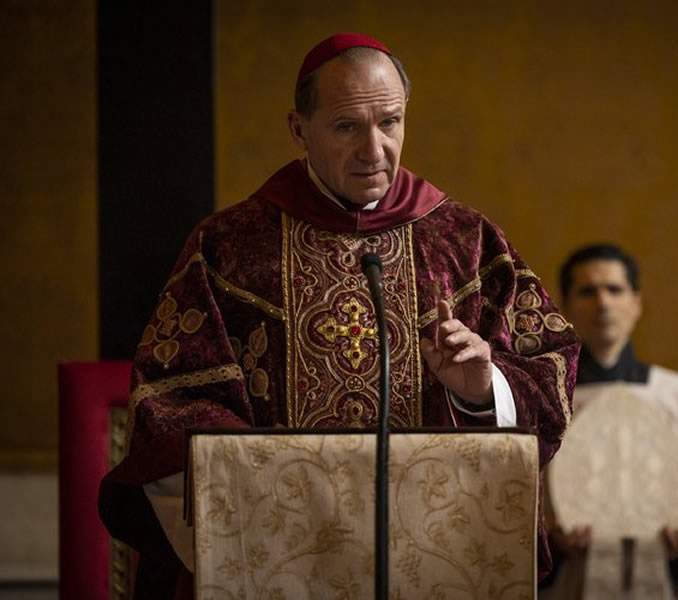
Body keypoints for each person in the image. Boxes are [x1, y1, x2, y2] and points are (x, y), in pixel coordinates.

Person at [99, 32, 580, 599]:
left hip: (434, 563)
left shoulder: (467, 242)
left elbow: (550, 364)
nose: (374, 150)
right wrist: (281, 485)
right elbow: (172, 399)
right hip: (282, 561)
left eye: (390, 122)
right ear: (299, 128)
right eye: (347, 126)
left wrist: (484, 390)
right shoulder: (228, 248)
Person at [541, 243, 678, 599]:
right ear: (563, 306)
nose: (603, 303)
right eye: (587, 291)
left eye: (614, 289)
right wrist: (553, 543)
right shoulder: (544, 402)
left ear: (636, 302)